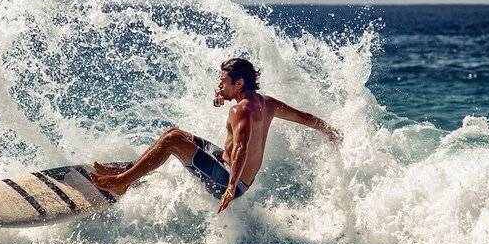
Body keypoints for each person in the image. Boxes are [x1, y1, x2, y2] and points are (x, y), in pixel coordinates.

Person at [88, 58, 341, 213]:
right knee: (175, 133)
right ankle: (130, 170)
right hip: (227, 165)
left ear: (239, 83)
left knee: (172, 142)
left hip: (228, 180)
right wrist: (330, 130)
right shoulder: (267, 103)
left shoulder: (240, 110)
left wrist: (230, 188)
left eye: (223, 82)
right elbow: (304, 117)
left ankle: (122, 182)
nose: (219, 86)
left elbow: (241, 147)